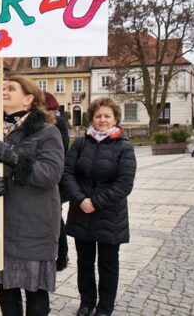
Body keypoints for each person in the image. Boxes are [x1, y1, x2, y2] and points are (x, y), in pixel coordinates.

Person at [0, 76, 64, 316]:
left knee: (35, 290)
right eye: (3, 88)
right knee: (7, 287)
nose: (5, 91)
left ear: (29, 99)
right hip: (0, 223)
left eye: (11, 88)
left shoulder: (47, 132)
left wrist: (15, 160)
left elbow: (51, 173)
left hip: (33, 225)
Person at [63, 97, 136, 316]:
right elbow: (67, 173)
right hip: (81, 210)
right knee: (84, 262)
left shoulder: (124, 146)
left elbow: (124, 184)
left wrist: (95, 202)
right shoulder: (81, 143)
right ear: (91, 118)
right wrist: (80, 199)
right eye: (98, 116)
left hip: (109, 214)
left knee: (108, 264)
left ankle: (105, 307)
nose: (102, 120)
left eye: (107, 116)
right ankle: (87, 303)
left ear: (115, 119)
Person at [43, 92, 70, 271]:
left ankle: (62, 256)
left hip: (55, 178)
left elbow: (62, 149)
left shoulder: (57, 123)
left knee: (56, 217)